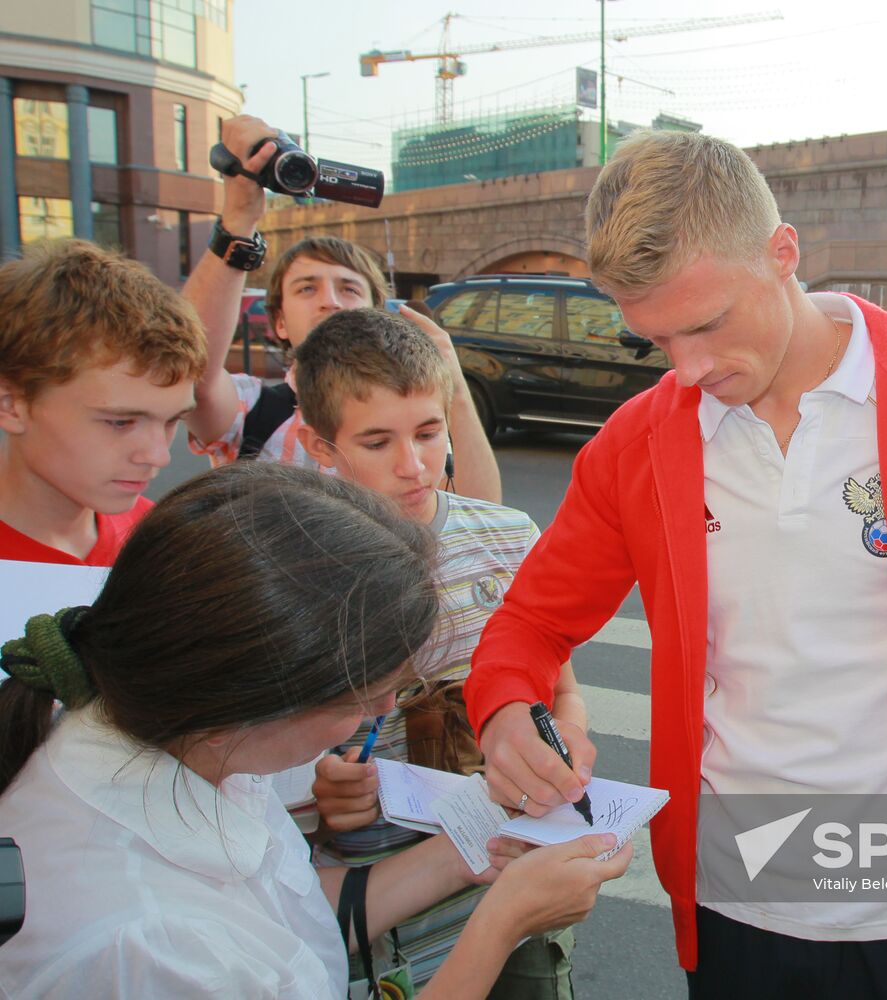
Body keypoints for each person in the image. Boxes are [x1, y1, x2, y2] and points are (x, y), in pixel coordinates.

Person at [464, 130, 887, 1000]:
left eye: (707, 324)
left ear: (784, 254)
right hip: (739, 909)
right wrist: (506, 712)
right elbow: (530, 623)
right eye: (656, 341)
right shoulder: (638, 443)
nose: (690, 368)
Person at [0, 462, 630, 998]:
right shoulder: (154, 946)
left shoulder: (190, 749)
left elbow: (291, 914)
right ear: (262, 695)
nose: (388, 705)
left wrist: (469, 850)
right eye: (371, 692)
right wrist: (503, 922)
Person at [291, 308, 588, 995]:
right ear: (318, 444)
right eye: (375, 441)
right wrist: (323, 789)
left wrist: (564, 736)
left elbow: (561, 687)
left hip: (517, 894)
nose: (412, 465)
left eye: (428, 433)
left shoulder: (508, 535)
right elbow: (262, 779)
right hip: (383, 928)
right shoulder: (292, 568)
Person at [180, 114, 501, 503]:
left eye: (348, 288)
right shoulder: (256, 411)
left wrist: (456, 390)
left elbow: (481, 514)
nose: (329, 300)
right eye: (306, 288)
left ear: (374, 312)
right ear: (279, 322)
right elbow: (188, 369)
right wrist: (238, 218)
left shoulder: (412, 417)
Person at [0, 240, 207, 565]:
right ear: (10, 403)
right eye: (120, 422)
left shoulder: (152, 541)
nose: (158, 455)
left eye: (171, 421)